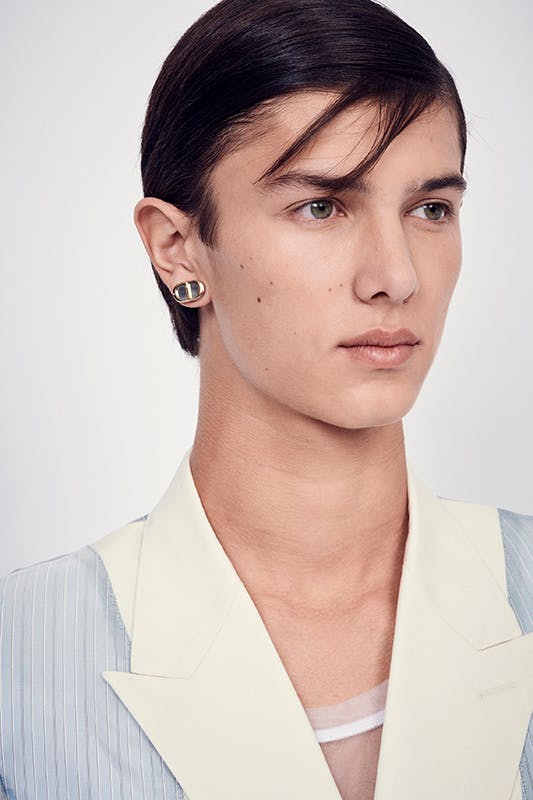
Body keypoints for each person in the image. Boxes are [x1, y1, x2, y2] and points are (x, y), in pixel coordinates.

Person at [1, 0, 532, 797]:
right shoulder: (20, 656)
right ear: (177, 249)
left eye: (430, 209)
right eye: (320, 206)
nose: (396, 276)